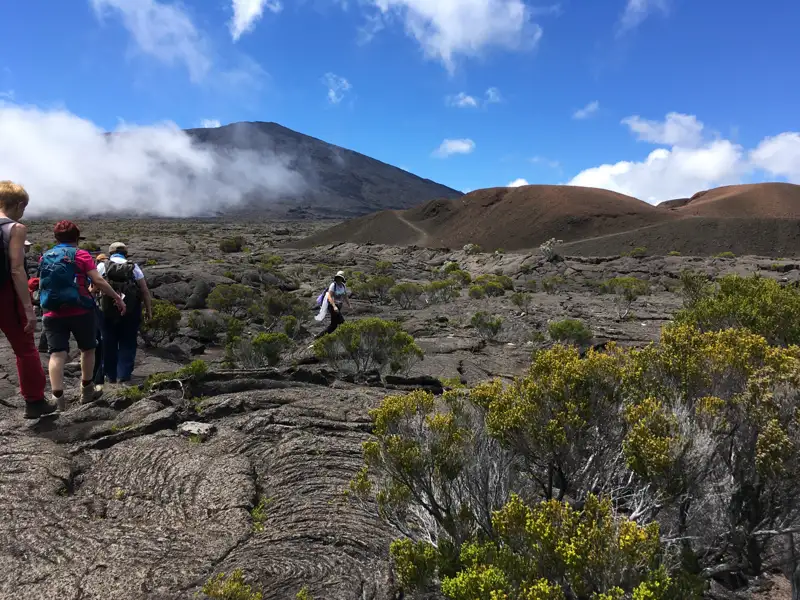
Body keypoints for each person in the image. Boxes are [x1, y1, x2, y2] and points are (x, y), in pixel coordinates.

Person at [39, 221, 126, 410]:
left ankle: (57, 399)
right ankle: (87, 391)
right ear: (76, 238)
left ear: (56, 238)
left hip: (52, 311)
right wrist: (117, 298)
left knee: (57, 354)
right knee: (88, 349)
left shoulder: (45, 256)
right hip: (81, 310)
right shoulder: (81, 254)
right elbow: (97, 280)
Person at [0, 181, 53, 419]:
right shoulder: (15, 228)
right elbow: (17, 270)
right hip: (6, 295)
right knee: (25, 350)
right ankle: (34, 402)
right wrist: (28, 309)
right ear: (19, 204)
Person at [96, 242, 152, 384]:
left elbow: (93, 288)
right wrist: (148, 310)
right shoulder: (133, 267)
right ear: (125, 253)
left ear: (110, 253)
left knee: (108, 341)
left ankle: (110, 375)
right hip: (131, 310)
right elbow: (144, 291)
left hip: (106, 310)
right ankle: (124, 374)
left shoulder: (102, 266)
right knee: (128, 341)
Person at [314, 270, 351, 337]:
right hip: (332, 306)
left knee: (333, 325)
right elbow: (329, 297)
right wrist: (334, 306)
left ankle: (319, 336)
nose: (338, 279)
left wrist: (349, 305)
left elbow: (345, 296)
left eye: (340, 278)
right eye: (337, 278)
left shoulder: (343, 286)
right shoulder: (333, 285)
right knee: (342, 322)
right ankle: (346, 336)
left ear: (342, 279)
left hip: (338, 306)